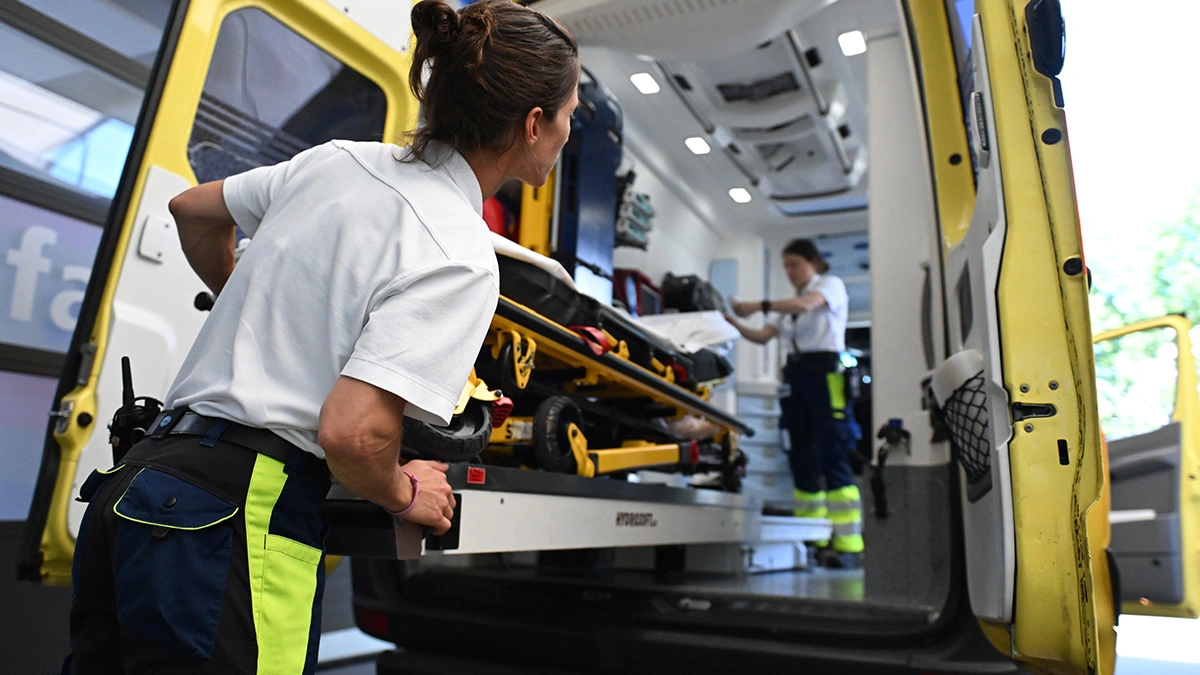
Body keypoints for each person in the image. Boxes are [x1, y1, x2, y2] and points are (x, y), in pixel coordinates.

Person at [66, 1, 580, 672]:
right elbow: (353, 432)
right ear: (534, 124)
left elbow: (191, 211)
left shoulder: (339, 161)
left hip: (137, 481)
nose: (569, 130)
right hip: (234, 516)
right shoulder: (459, 250)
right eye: (568, 113)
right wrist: (403, 490)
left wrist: (257, 308)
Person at [726, 239, 864, 569]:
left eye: (795, 264)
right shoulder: (785, 311)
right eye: (786, 265)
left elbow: (806, 305)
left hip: (824, 372)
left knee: (831, 450)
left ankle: (848, 545)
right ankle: (811, 538)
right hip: (796, 376)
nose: (790, 271)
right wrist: (731, 324)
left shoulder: (829, 286)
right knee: (799, 452)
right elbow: (761, 337)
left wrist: (758, 304)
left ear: (813, 263)